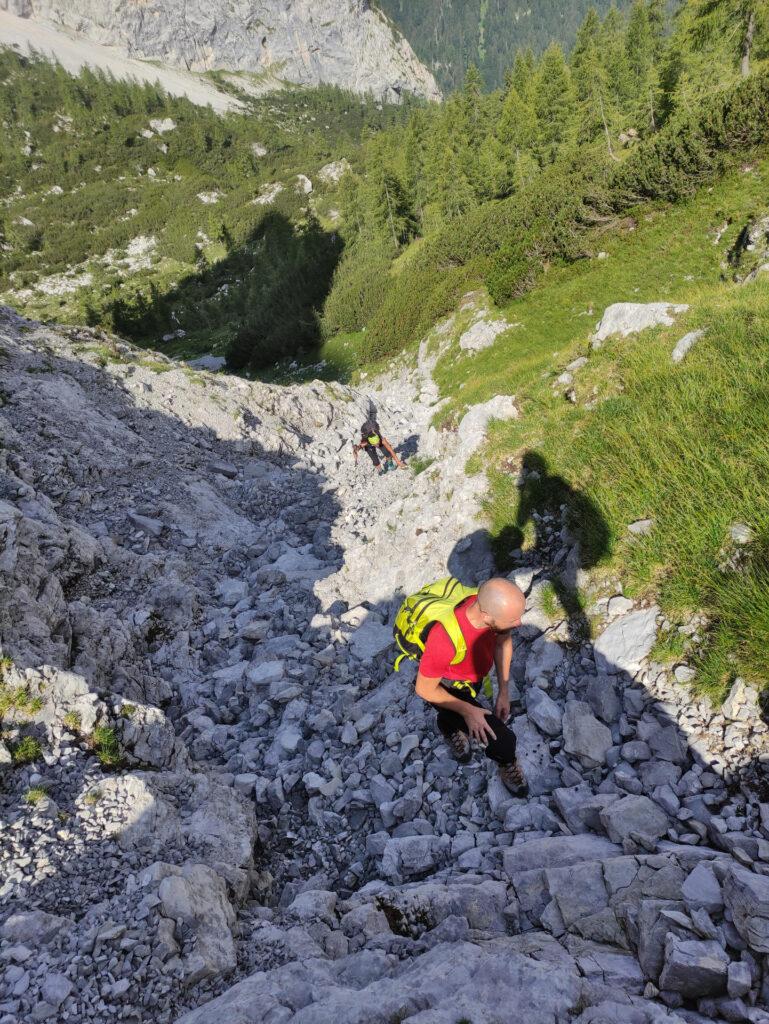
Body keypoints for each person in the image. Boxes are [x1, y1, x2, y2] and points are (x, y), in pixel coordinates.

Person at [414, 577, 528, 796]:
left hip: (471, 676)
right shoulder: (443, 639)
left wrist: (503, 691)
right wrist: (469, 711)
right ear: (486, 616)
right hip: (446, 684)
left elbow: (503, 641)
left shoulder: (489, 610)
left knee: (450, 715)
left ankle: (450, 728)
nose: (519, 623)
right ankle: (507, 763)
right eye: (514, 619)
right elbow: (424, 689)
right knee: (503, 740)